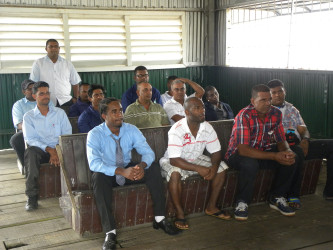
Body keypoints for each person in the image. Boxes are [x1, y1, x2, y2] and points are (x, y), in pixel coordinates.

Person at [87, 98, 178, 250]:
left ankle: (160, 218)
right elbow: (94, 163)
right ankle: (110, 232)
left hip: (129, 169)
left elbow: (148, 152)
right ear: (104, 116)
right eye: (114, 112)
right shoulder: (94, 134)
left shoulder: (131, 129)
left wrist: (141, 166)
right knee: (97, 177)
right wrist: (121, 171)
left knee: (153, 168)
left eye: (121, 111)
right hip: (109, 172)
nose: (120, 115)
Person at [225, 84, 298, 221]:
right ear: (253, 101)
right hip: (237, 155)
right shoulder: (244, 115)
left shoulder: (275, 113)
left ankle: (277, 197)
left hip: (262, 151)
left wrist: (286, 151)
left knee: (291, 158)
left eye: (269, 99)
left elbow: (281, 140)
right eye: (263, 100)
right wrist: (274, 156)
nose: (268, 103)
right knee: (250, 164)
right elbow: (243, 149)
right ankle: (242, 202)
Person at [160, 97, 230, 230]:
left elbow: (216, 152)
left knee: (222, 168)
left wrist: (214, 168)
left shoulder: (207, 127)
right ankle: (179, 213)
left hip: (195, 158)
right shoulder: (177, 129)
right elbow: (174, 159)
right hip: (173, 159)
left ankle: (211, 207)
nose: (202, 111)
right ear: (187, 112)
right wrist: (199, 169)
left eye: (202, 107)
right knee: (175, 174)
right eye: (197, 108)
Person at [267, 79, 333, 205]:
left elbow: (303, 130)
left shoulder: (292, 109)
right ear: (269, 95)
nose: (277, 95)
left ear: (284, 91)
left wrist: (306, 140)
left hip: (299, 143)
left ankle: (330, 192)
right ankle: (292, 194)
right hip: (281, 145)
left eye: (280, 91)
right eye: (273, 92)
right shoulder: (267, 110)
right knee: (295, 153)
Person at [23, 81, 72, 211]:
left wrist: (56, 149)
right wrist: (50, 150)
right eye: (41, 93)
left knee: (76, 147)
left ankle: (75, 190)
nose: (46, 96)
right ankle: (32, 197)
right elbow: (30, 139)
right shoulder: (29, 117)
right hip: (41, 151)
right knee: (30, 153)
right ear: (34, 96)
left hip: (60, 148)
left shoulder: (59, 113)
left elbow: (67, 134)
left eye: (47, 93)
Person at [30, 39, 81, 107]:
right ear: (46, 49)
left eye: (56, 46)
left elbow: (75, 82)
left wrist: (76, 98)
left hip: (66, 101)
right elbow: (34, 84)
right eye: (51, 46)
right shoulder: (38, 63)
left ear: (59, 48)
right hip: (46, 102)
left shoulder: (67, 64)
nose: (54, 48)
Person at [10, 79, 36, 168]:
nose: (33, 91)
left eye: (34, 88)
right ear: (24, 92)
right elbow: (19, 124)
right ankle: (27, 166)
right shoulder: (18, 105)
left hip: (46, 130)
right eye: (29, 89)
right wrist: (32, 127)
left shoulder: (46, 101)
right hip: (27, 131)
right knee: (16, 139)